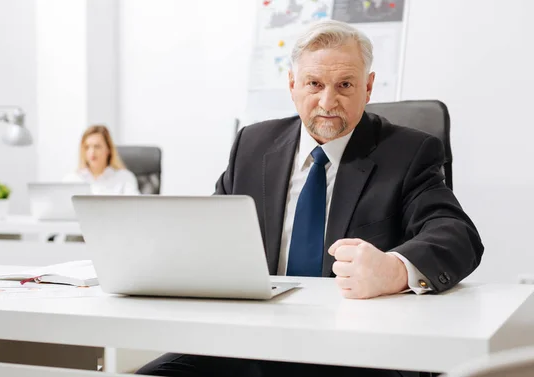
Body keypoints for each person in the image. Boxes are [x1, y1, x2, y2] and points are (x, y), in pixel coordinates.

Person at [138, 20, 484, 377]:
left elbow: (458, 236)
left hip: (357, 353)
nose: (327, 101)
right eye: (314, 84)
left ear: (367, 87)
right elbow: (210, 232)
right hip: (251, 343)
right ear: (292, 85)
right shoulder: (252, 145)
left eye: (345, 85)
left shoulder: (409, 152)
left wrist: (394, 270)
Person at [64, 125, 140, 195]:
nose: (92, 152)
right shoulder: (72, 179)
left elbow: (136, 207)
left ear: (108, 149)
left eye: (97, 146)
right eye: (87, 147)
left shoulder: (125, 178)